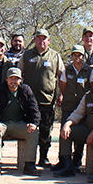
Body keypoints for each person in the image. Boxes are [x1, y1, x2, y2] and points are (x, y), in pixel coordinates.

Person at [55, 68, 93, 183]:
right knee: (67, 131)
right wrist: (67, 124)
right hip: (88, 128)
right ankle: (67, 165)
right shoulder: (88, 95)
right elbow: (78, 112)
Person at [18, 28, 64, 168]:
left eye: (44, 38)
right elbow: (19, 74)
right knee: (29, 129)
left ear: (48, 41)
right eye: (39, 38)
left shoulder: (55, 56)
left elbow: (61, 76)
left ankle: (43, 158)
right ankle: (27, 159)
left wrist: (61, 94)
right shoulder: (26, 55)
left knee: (45, 130)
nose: (41, 41)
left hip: (47, 100)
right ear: (34, 40)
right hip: (29, 101)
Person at [0, 67, 41, 177]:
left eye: (16, 79)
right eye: (11, 78)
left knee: (33, 132)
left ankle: (29, 165)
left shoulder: (25, 90)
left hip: (19, 124)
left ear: (21, 80)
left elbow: (34, 108)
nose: (13, 81)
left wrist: (34, 123)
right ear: (6, 79)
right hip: (2, 123)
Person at [55, 45, 92, 171]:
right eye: (75, 55)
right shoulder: (67, 70)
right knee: (64, 132)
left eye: (80, 55)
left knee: (79, 132)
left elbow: (91, 87)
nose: (77, 57)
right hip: (69, 105)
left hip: (83, 106)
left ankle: (77, 160)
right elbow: (63, 86)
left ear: (83, 56)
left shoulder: (89, 71)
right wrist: (66, 97)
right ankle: (64, 160)